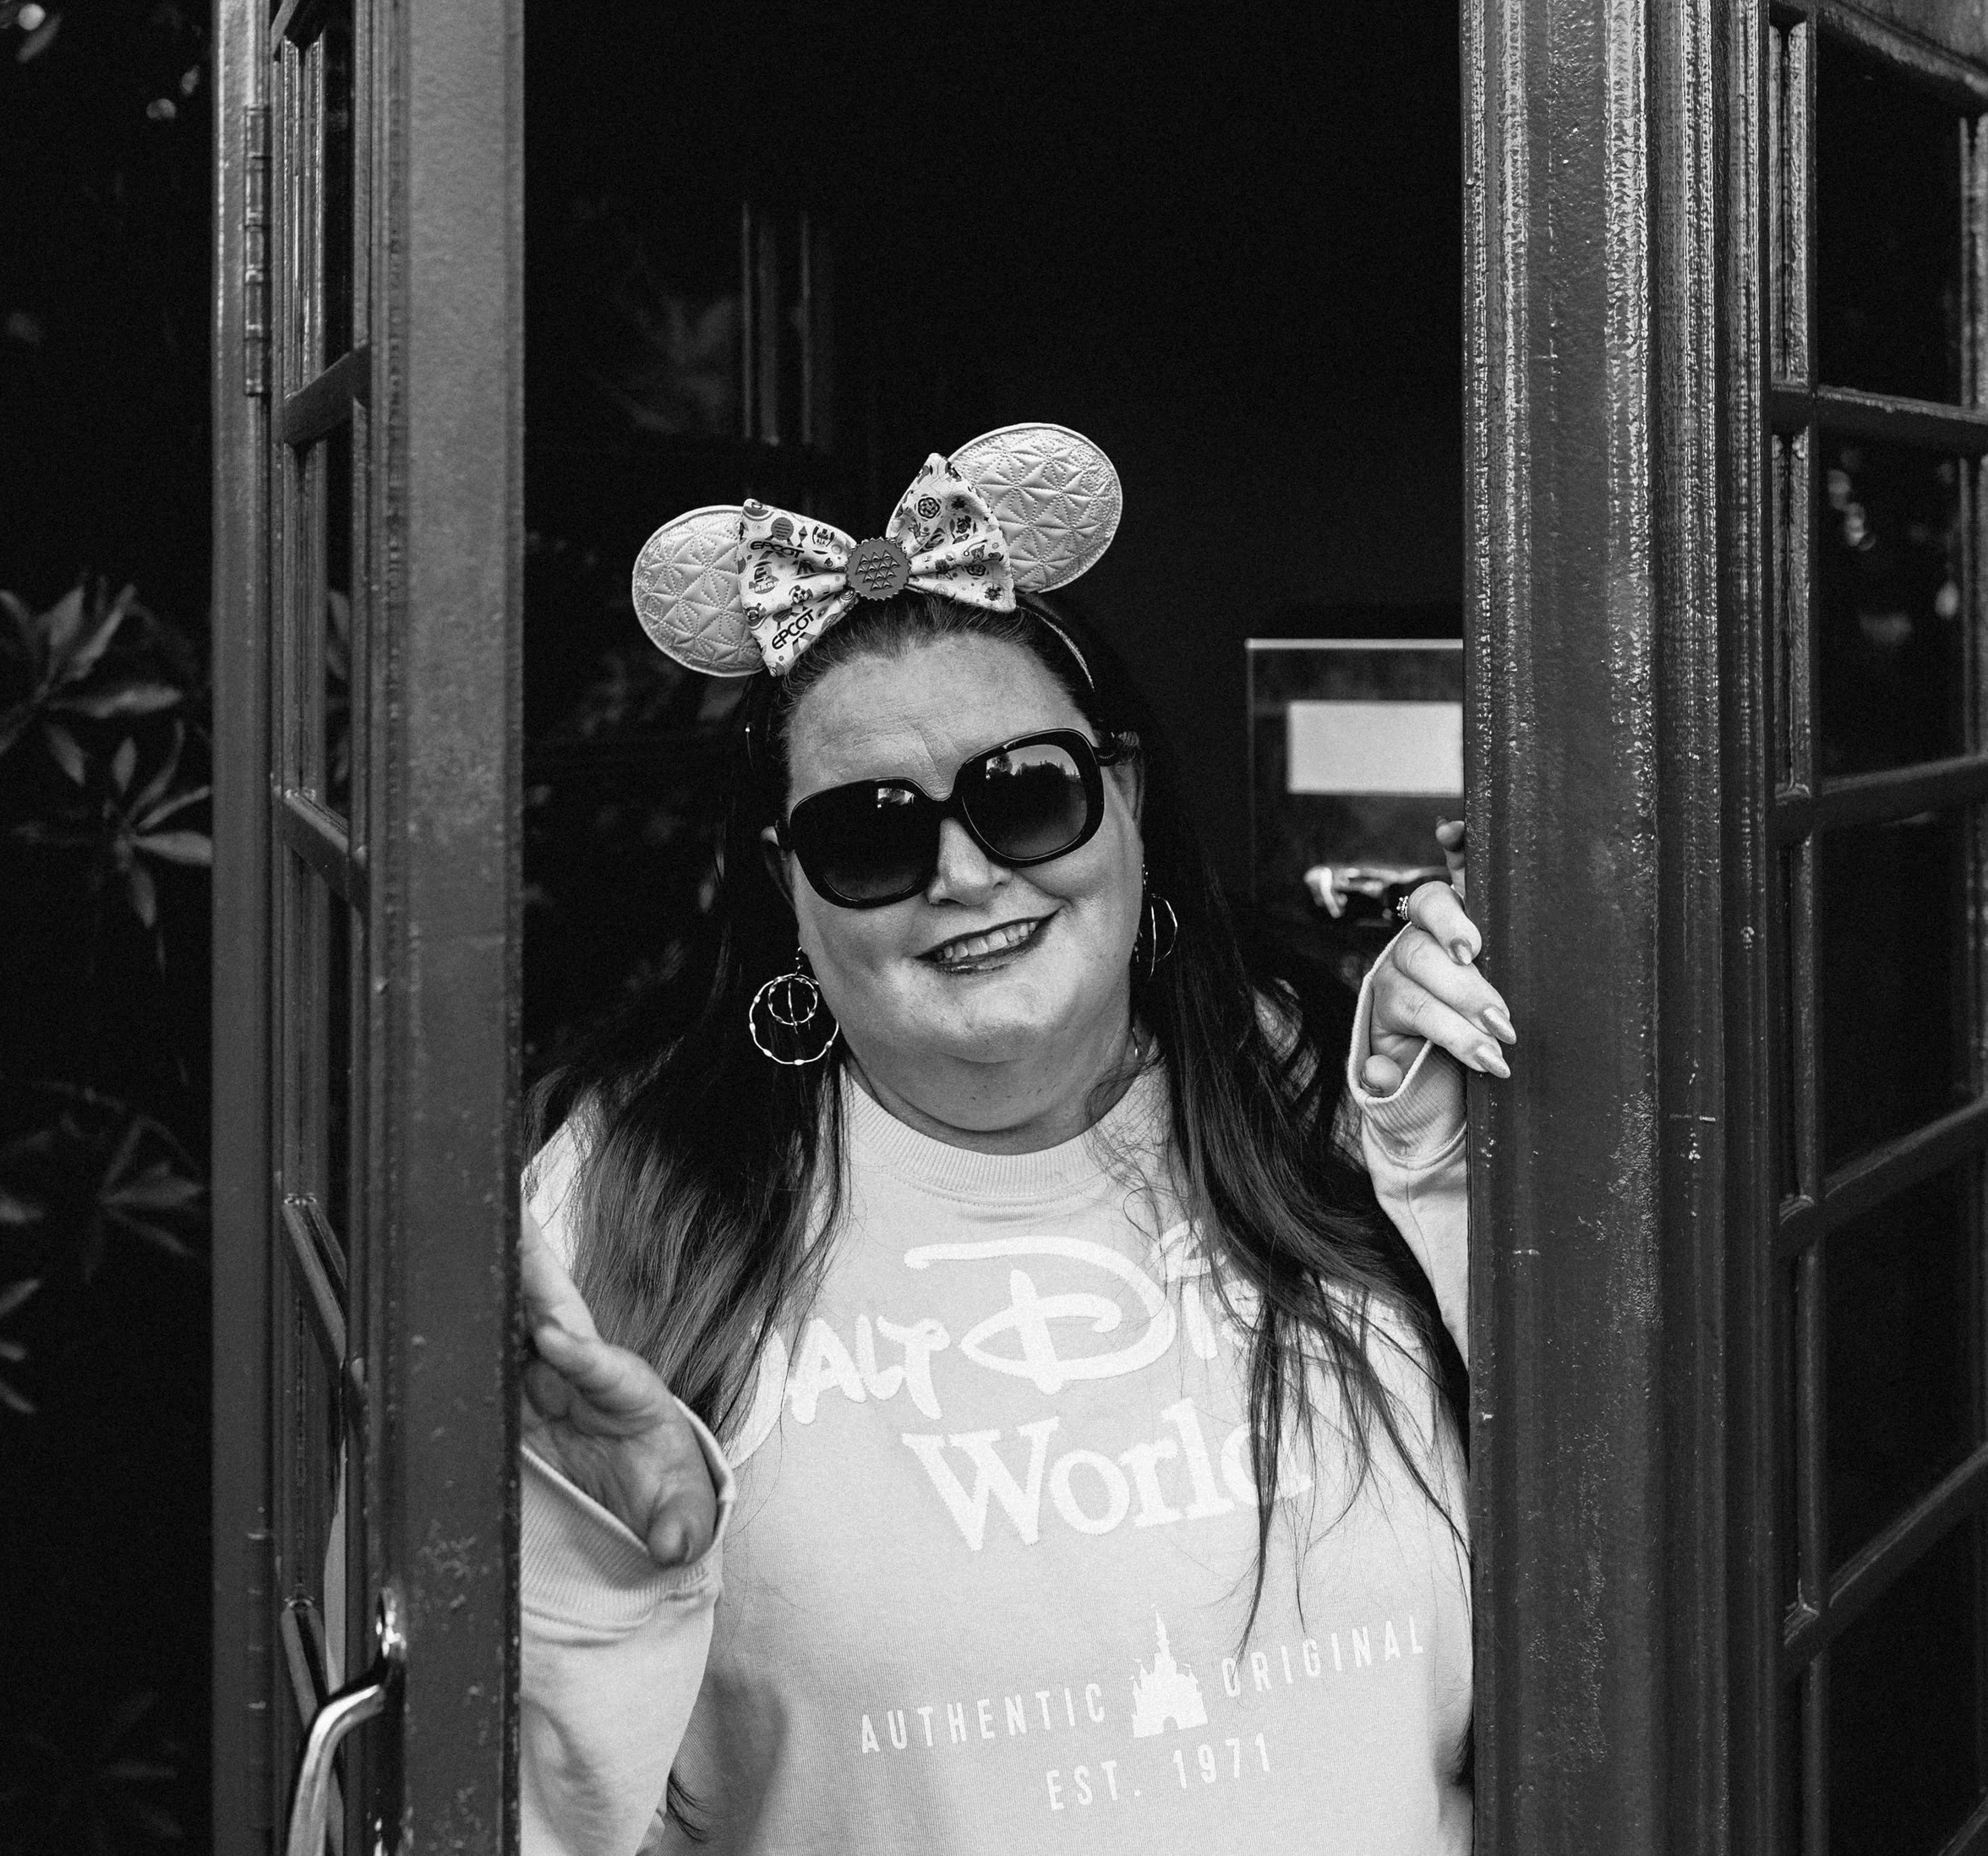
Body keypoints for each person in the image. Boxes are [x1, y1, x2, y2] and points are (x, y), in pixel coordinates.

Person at [517, 427, 1513, 1854]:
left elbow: (1613, 1582)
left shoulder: (1337, 1111)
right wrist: (588, 1583)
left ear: (1129, 800)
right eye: (870, 833)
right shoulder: (632, 1203)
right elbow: (476, 1774)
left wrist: (1463, 1171)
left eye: (1025, 789)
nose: (966, 872)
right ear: (786, 889)